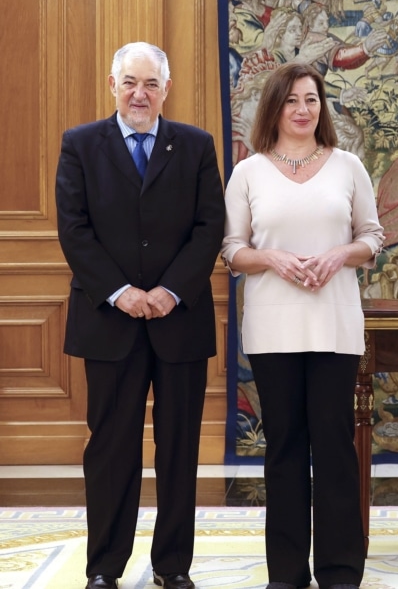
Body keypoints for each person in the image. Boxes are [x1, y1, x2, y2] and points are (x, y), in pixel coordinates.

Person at [55, 42, 225, 589]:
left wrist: (170, 291)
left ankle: (173, 566)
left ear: (166, 90)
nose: (140, 94)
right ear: (113, 85)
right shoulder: (81, 144)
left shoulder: (195, 146)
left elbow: (209, 227)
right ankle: (104, 567)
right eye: (130, 82)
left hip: (180, 321)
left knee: (179, 449)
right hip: (110, 322)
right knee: (111, 450)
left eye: (151, 84)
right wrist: (122, 291)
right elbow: (74, 229)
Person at [221, 61, 384, 589]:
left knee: (335, 447)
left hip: (334, 325)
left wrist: (340, 254)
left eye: (311, 99)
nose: (302, 109)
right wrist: (272, 260)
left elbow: (373, 237)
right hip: (273, 328)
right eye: (291, 100)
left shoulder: (348, 166)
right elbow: (232, 250)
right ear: (275, 106)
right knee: (285, 446)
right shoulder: (249, 171)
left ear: (322, 107)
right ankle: (286, 572)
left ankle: (339, 571)